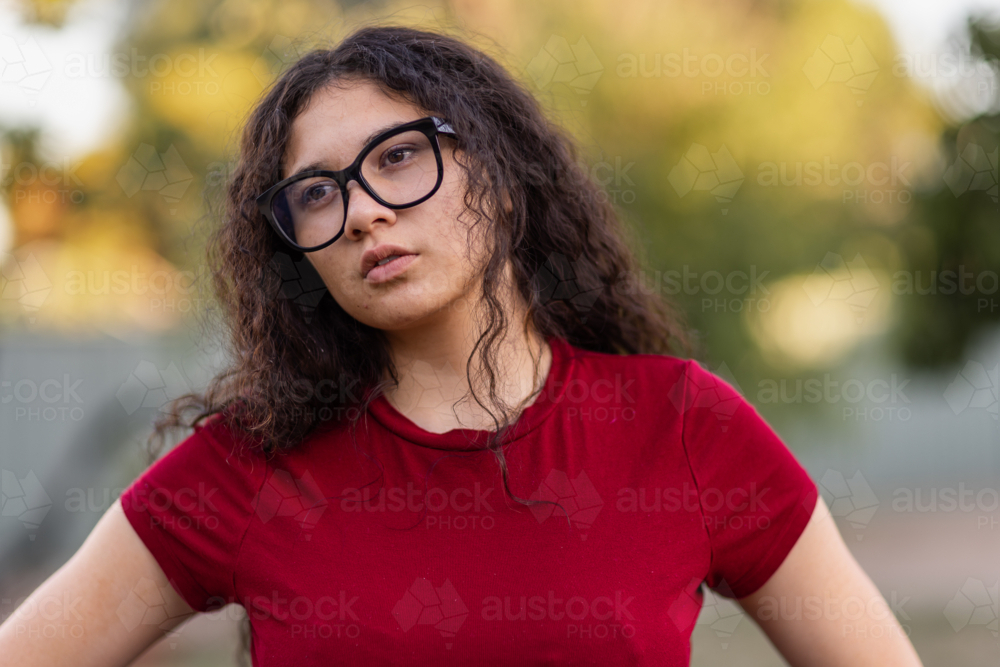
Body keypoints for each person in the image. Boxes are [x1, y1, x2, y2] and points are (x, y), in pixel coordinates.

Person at [0, 24, 922, 667]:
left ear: (505, 174)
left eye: (398, 155)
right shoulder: (246, 468)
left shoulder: (682, 426)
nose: (361, 210)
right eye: (316, 194)